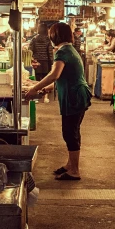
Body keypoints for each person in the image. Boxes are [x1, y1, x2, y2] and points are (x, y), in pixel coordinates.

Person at [24, 22, 92, 181]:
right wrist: (46, 88)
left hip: (74, 96)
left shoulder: (62, 52)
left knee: (70, 132)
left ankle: (75, 170)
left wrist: (35, 88)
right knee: (73, 131)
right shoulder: (69, 49)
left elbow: (54, 74)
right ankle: (70, 165)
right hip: (77, 94)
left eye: (51, 35)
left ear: (55, 36)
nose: (50, 37)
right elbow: (63, 77)